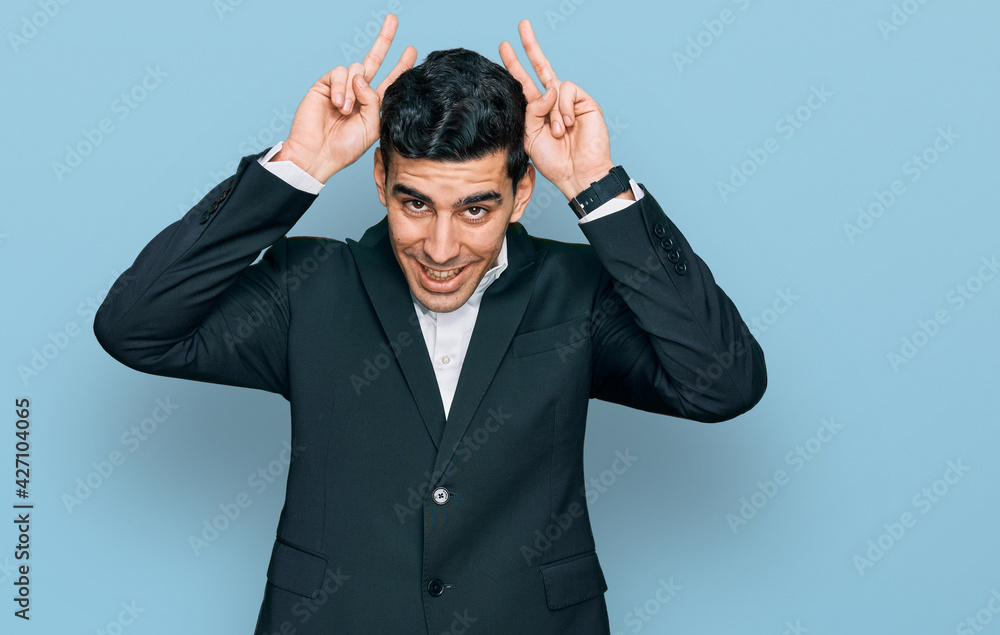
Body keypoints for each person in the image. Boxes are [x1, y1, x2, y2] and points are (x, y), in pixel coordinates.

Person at [94, 14, 766, 635]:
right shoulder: (308, 286)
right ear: (380, 179)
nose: (441, 249)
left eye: (475, 210)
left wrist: (596, 185)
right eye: (416, 204)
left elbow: (723, 383)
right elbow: (135, 326)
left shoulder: (577, 290)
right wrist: (299, 166)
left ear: (521, 194)